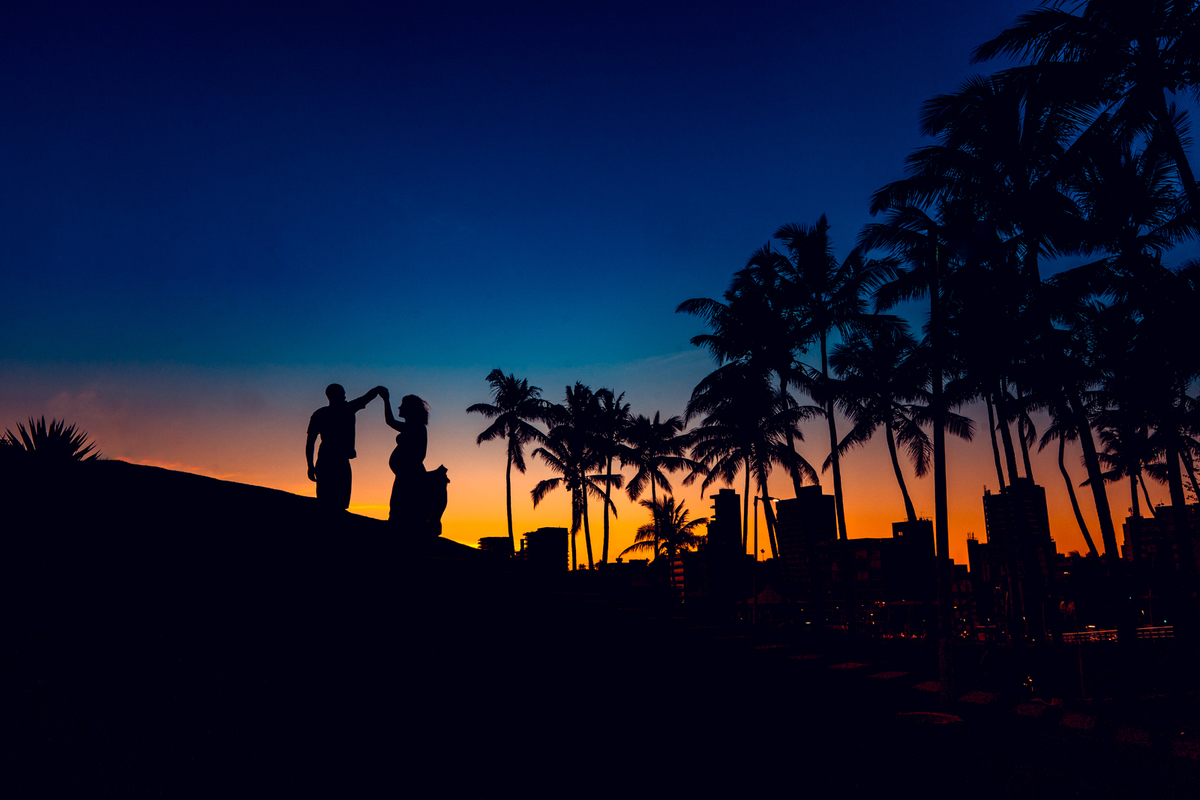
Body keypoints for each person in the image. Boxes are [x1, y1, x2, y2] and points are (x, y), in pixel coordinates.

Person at [306, 383, 383, 510]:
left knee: (329, 501)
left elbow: (310, 443)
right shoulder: (346, 409)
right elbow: (366, 398)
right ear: (335, 395)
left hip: (327, 459)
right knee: (335, 502)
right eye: (342, 393)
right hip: (335, 460)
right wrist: (377, 390)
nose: (345, 396)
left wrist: (310, 465)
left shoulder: (320, 414)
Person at [381, 389, 446, 535]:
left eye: (403, 405)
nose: (400, 408)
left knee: (403, 510)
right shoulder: (413, 426)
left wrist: (386, 400)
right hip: (406, 474)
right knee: (401, 509)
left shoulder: (415, 427)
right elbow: (390, 422)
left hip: (409, 475)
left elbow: (390, 422)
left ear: (410, 409)